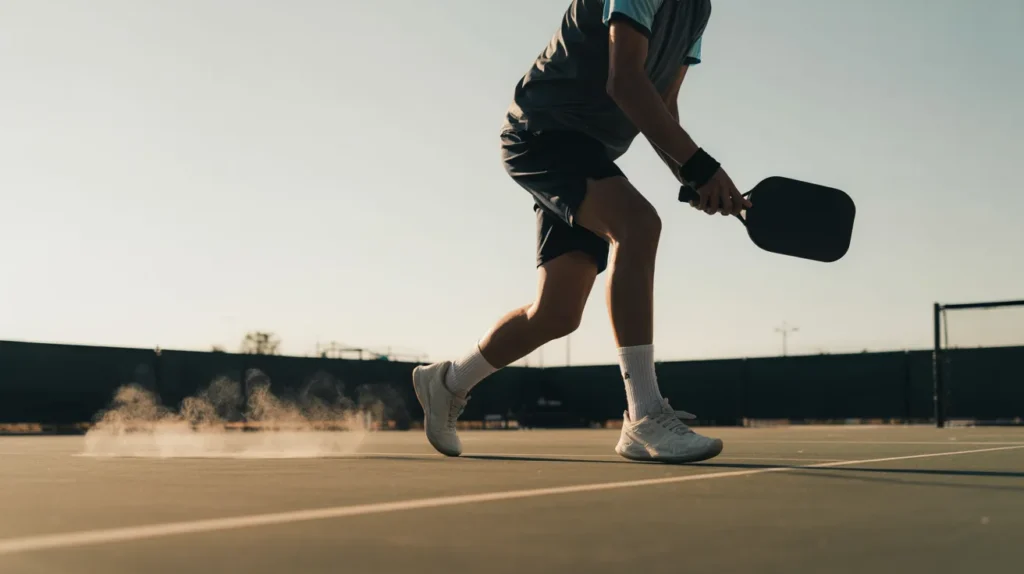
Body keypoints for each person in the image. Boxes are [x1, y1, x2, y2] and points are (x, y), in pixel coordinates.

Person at [413, 0, 748, 463]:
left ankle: (448, 382)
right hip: (542, 132)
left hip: (588, 150)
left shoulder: (698, 11)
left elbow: (664, 105)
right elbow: (626, 82)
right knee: (639, 225)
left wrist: (695, 180)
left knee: (557, 313)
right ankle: (644, 414)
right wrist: (702, 167)